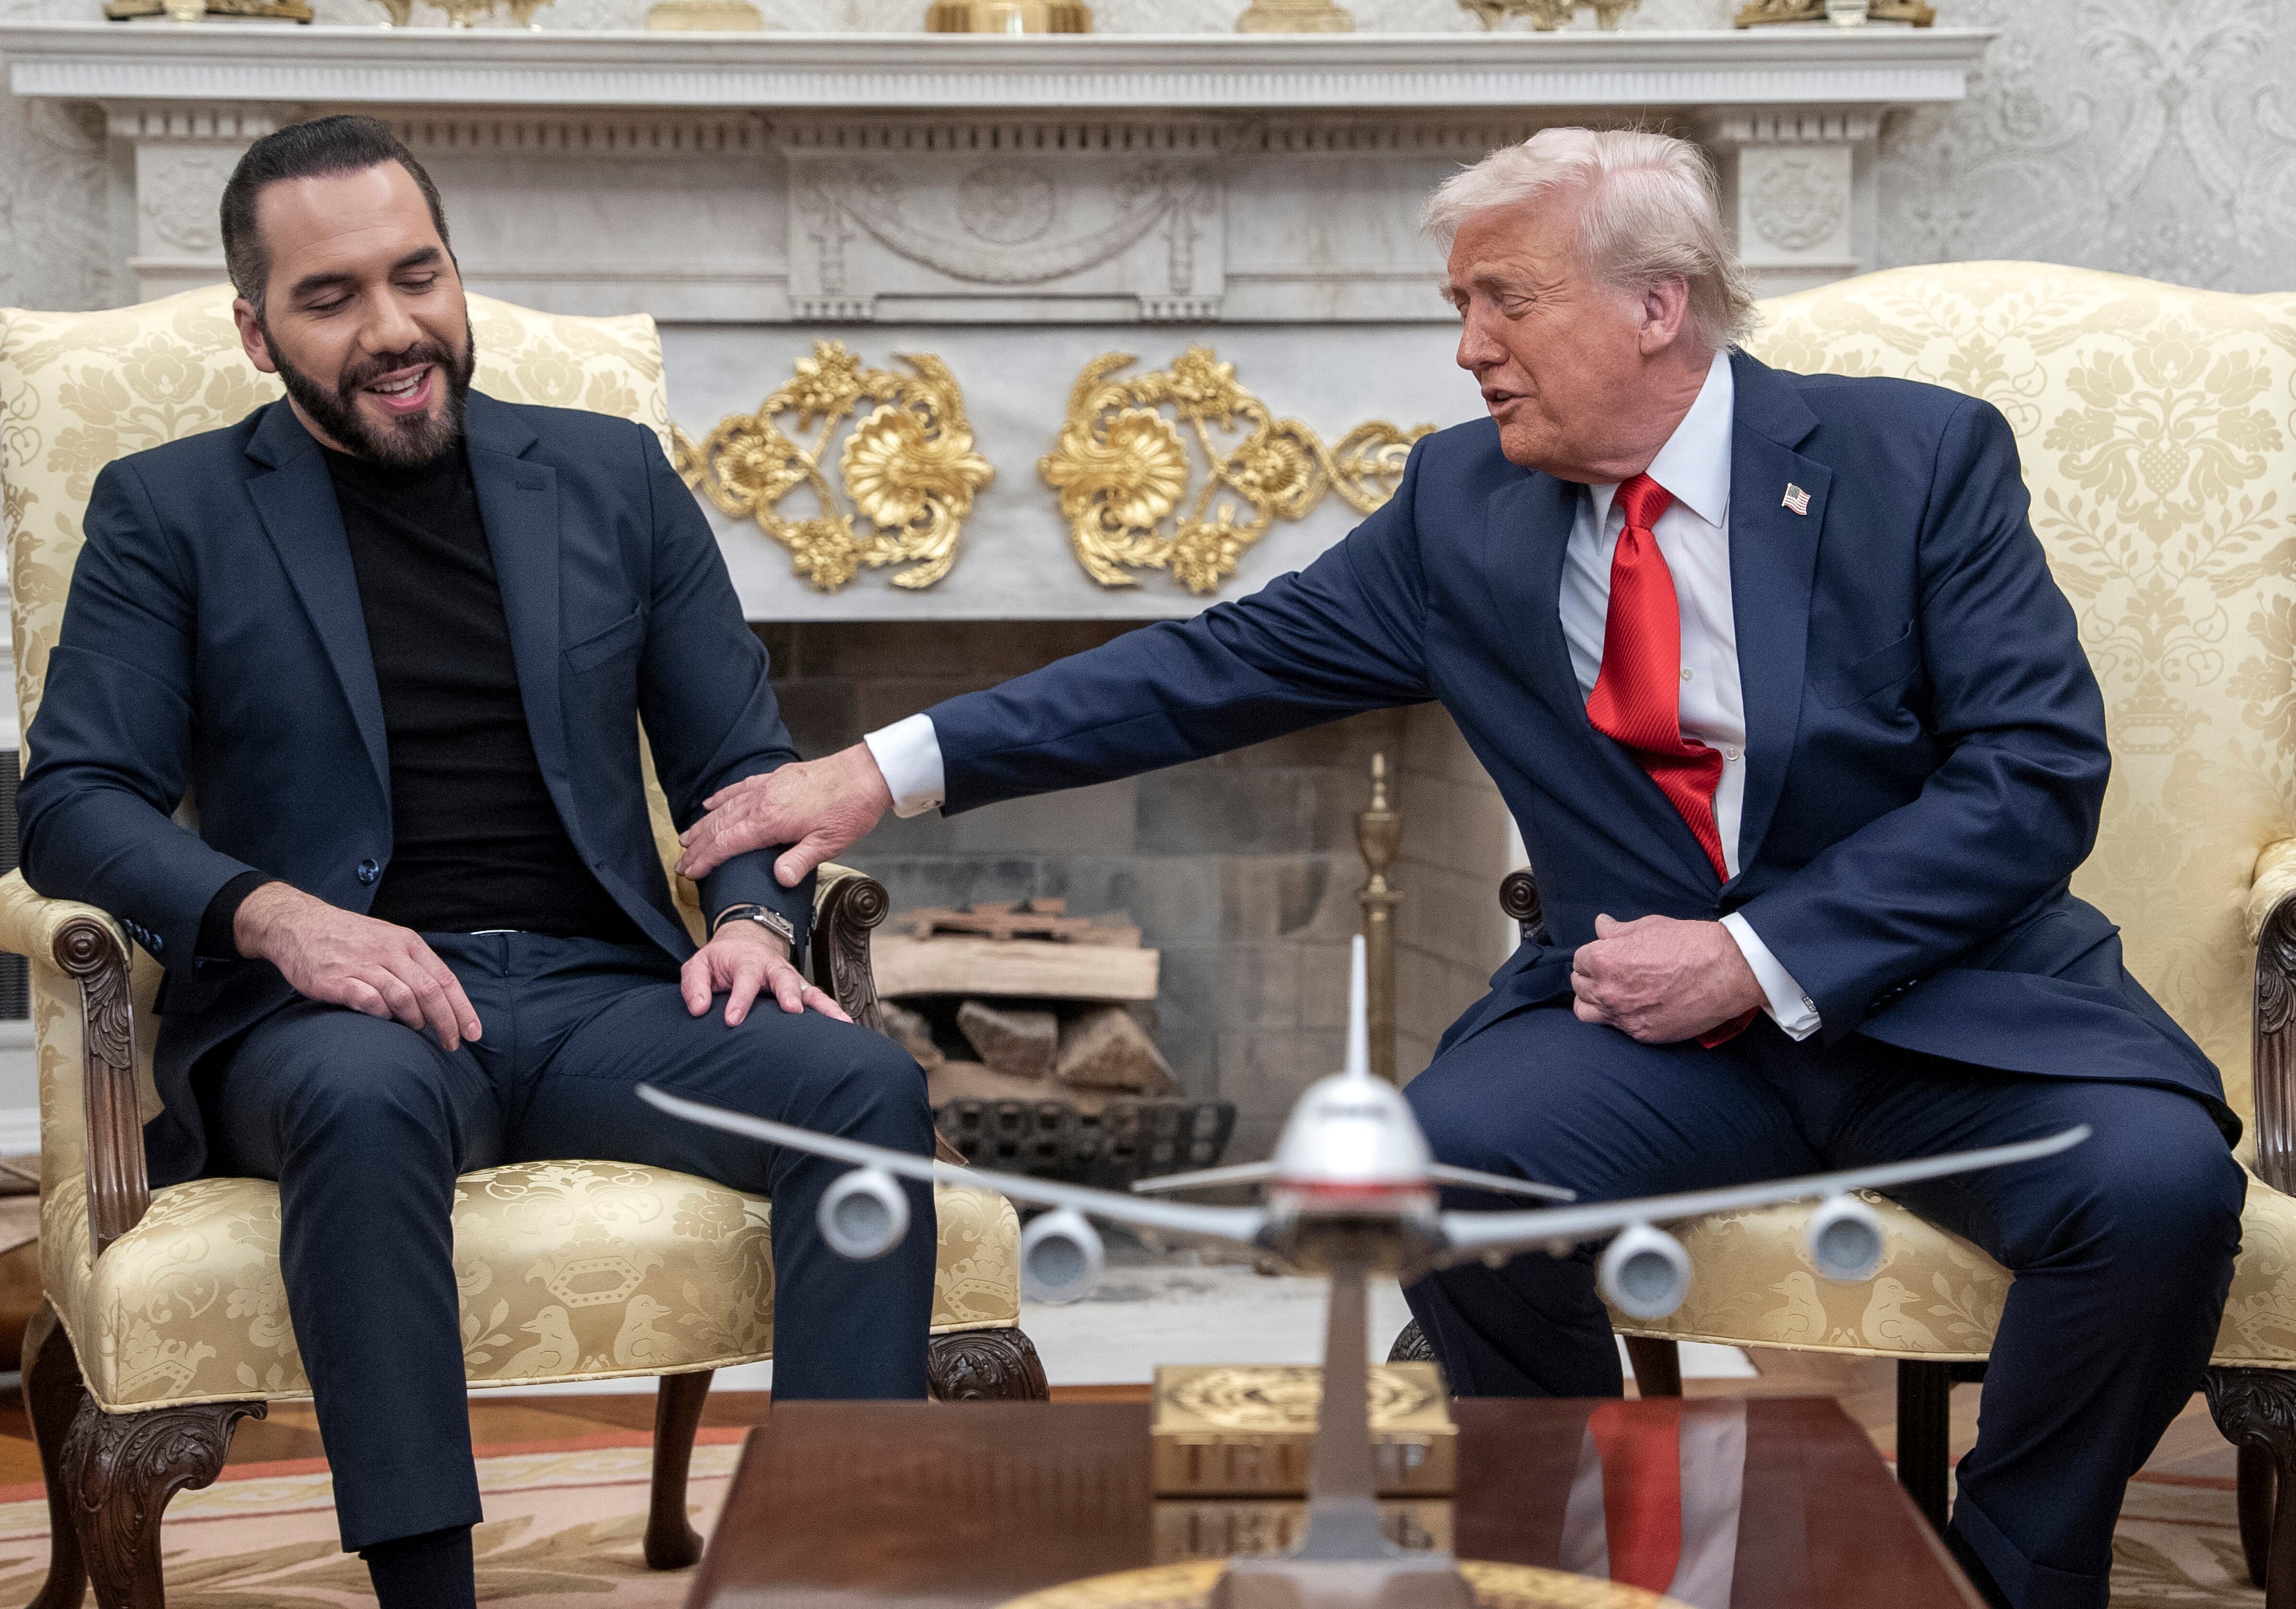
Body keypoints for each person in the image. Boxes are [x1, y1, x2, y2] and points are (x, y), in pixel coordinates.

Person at [679, 128, 2243, 1609]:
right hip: (1647, 1035)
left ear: (1655, 305)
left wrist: (1760, 959)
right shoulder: (1463, 504)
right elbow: (1205, 665)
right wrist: (872, 770)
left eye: (1506, 298)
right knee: (1426, 1174)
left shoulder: (1918, 460)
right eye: (1459, 305)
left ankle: (1999, 1574)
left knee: (2160, 1194)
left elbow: (2034, 778)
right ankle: (1572, 1548)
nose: (1470, 344)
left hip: (1945, 1007)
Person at [15, 115, 935, 1609]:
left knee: (865, 1088)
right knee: (366, 1101)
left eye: (416, 275)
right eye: (332, 299)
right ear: (257, 332)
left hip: (597, 996)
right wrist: (272, 915)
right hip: (331, 1018)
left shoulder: (614, 477)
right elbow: (71, 802)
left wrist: (757, 924)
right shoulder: (167, 511)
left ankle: (829, 1577)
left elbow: (736, 768)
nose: (393, 330)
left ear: (457, 275)